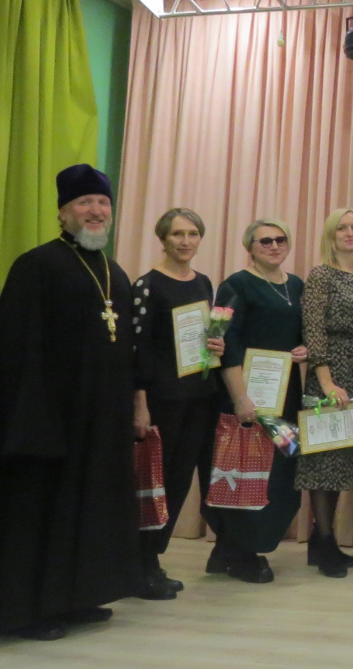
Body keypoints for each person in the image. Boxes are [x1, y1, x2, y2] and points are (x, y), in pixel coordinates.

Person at [0, 164, 142, 640]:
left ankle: (75, 596)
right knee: (37, 512)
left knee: (88, 508)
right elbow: (17, 348)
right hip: (48, 419)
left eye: (103, 202)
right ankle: (24, 610)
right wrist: (33, 417)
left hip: (100, 421)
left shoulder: (115, 273)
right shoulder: (37, 265)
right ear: (63, 212)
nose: (96, 211)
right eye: (85, 202)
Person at [205, 219, 309, 584]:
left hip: (285, 395)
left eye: (281, 239)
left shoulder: (296, 285)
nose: (274, 245)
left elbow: (300, 332)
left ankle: (229, 548)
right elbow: (223, 342)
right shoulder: (235, 285)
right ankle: (242, 553)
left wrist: (303, 348)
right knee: (246, 470)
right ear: (249, 247)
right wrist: (239, 397)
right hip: (244, 395)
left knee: (280, 474)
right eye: (265, 241)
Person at [130, 208, 226, 600]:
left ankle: (153, 559)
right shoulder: (147, 285)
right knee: (155, 482)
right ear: (163, 239)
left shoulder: (203, 282)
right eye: (177, 234)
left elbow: (205, 337)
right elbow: (137, 349)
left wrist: (216, 345)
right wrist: (139, 403)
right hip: (162, 399)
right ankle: (138, 564)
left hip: (199, 397)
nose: (185, 241)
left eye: (192, 234)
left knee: (180, 480)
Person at [296, 208, 353, 578]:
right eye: (342, 228)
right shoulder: (321, 275)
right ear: (331, 235)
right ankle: (325, 541)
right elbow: (313, 330)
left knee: (345, 460)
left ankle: (322, 540)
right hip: (329, 374)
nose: (349, 233)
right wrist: (327, 382)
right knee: (324, 460)